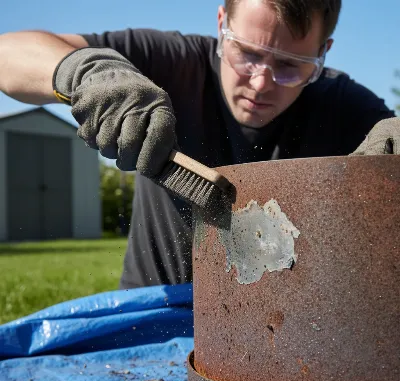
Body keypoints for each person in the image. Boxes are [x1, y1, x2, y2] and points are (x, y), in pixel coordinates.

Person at [0, 0, 397, 290]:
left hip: (283, 332)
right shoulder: (172, 62)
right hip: (153, 317)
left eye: (289, 65)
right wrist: (84, 71)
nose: (260, 83)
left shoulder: (342, 103)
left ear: (323, 53)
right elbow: (8, 53)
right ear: (222, 22)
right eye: (248, 53)